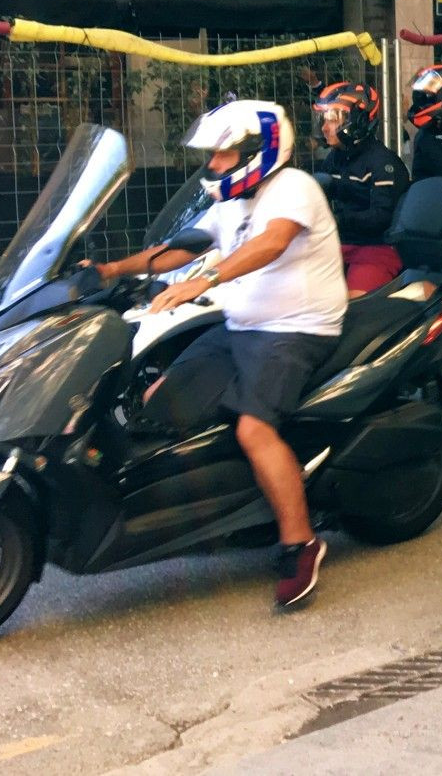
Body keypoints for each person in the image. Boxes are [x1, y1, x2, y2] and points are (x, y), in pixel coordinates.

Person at [95, 100, 345, 611]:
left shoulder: (294, 189)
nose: (212, 166)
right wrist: (108, 271)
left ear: (260, 151)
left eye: (223, 156)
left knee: (254, 428)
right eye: (211, 156)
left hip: (293, 330)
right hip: (238, 325)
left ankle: (300, 544)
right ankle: (233, 502)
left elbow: (271, 245)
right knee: (156, 399)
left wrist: (203, 282)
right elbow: (182, 246)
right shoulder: (231, 202)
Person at [314, 82, 410, 297]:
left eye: (333, 119)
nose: (324, 127)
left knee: (356, 312)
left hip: (377, 247)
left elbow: (382, 217)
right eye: (324, 119)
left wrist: (338, 219)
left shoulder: (383, 163)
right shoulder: (335, 158)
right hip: (339, 244)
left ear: (357, 121)